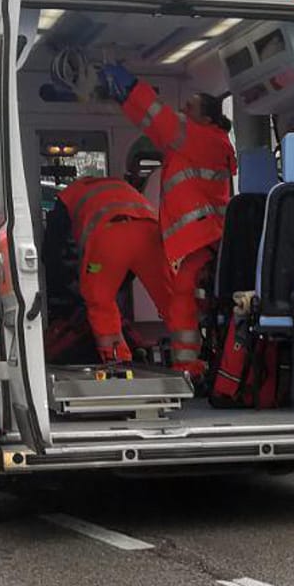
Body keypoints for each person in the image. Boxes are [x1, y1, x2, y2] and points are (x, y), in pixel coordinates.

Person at [100, 64, 238, 377]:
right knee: (184, 305)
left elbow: (157, 115)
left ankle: (188, 366)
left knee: (182, 306)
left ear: (206, 117)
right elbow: (153, 124)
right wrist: (124, 101)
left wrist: (131, 85)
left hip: (198, 238)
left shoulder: (198, 137)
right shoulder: (200, 140)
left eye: (189, 108)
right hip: (200, 238)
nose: (182, 111)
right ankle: (191, 364)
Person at [42, 176, 191, 367]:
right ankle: (191, 364)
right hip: (151, 233)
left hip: (109, 237)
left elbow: (54, 248)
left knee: (100, 302)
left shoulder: (68, 195)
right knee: (172, 301)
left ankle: (117, 359)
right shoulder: (119, 185)